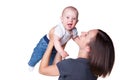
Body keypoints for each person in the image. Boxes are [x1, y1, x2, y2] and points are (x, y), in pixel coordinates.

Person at [39, 28, 115, 80]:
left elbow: (43, 70)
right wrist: (62, 44)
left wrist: (52, 41)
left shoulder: (72, 65)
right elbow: (59, 67)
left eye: (86, 35)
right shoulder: (92, 71)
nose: (82, 33)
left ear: (88, 48)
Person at [28, 6, 80, 71]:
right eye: (67, 17)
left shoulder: (74, 30)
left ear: (77, 21)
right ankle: (31, 64)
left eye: (74, 18)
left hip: (56, 47)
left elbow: (76, 38)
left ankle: (48, 66)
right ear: (62, 19)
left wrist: (81, 45)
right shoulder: (60, 29)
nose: (70, 20)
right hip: (46, 43)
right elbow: (55, 41)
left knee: (51, 60)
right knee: (38, 54)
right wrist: (61, 51)